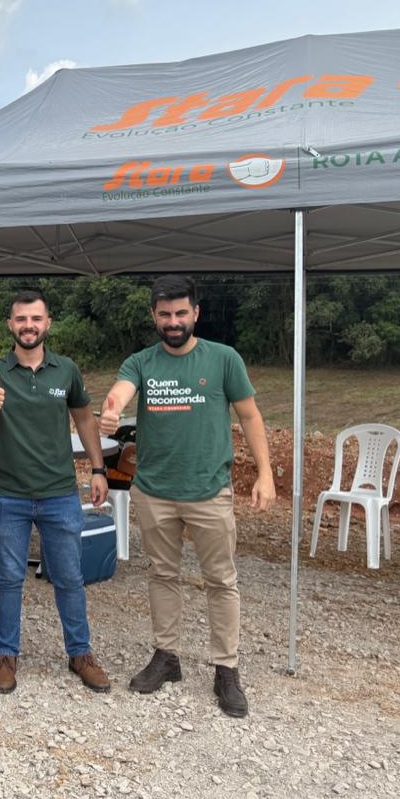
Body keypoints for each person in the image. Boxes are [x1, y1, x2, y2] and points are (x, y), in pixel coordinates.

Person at [98, 274, 275, 719]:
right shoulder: (141, 361)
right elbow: (121, 391)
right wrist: (113, 407)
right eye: (164, 314)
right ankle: (167, 657)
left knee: (221, 580)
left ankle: (226, 669)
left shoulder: (223, 359)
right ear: (154, 317)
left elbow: (251, 416)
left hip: (208, 489)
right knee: (162, 575)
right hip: (154, 491)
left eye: (181, 313)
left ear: (196, 313)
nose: (173, 322)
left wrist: (266, 473)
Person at [0, 290, 113, 695]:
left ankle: (80, 653)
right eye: (20, 319)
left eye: (36, 319)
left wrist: (98, 469)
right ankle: (5, 656)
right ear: (11, 325)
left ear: (48, 324)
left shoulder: (66, 371)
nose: (28, 326)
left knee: (69, 577)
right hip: (8, 494)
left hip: (60, 493)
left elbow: (84, 419)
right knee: (9, 578)